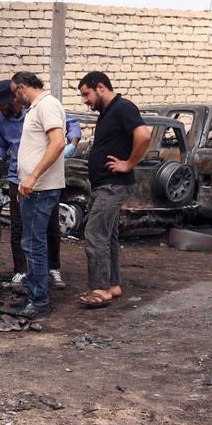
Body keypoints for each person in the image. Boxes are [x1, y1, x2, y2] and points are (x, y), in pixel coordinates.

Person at [75, 72, 150, 309]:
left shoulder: (123, 108)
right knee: (108, 236)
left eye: (86, 94)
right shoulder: (107, 113)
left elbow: (144, 135)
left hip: (113, 185)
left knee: (95, 233)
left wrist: (128, 163)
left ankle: (101, 288)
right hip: (104, 185)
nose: (85, 100)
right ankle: (113, 285)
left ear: (100, 87)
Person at [0, 80, 67, 290]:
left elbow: (65, 129)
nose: (0, 109)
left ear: (15, 97)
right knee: (19, 227)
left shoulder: (37, 110)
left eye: (3, 104)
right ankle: (22, 271)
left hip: (43, 180)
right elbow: (1, 146)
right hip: (18, 179)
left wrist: (75, 141)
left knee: (49, 227)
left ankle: (52, 269)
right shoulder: (0, 120)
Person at [11, 71, 66, 319]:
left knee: (34, 244)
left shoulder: (48, 105)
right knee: (31, 242)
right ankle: (35, 294)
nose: (14, 98)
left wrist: (32, 177)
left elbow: (57, 142)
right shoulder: (36, 107)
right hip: (32, 188)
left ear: (22, 87)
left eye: (14, 92)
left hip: (41, 188)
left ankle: (39, 301)